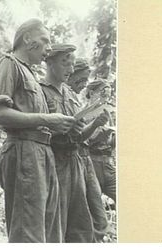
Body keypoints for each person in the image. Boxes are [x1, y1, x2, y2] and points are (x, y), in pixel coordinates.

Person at [0, 19, 76, 243]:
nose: (48, 48)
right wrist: (47, 119)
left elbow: (38, 121)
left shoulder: (32, 77)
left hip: (43, 153)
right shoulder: (9, 64)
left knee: (49, 232)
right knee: (28, 234)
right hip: (24, 152)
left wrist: (60, 125)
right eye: (45, 41)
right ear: (27, 39)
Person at [40, 44, 109, 242]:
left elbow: (78, 138)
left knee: (79, 222)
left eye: (72, 64)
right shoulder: (40, 91)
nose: (70, 69)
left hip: (75, 161)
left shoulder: (70, 95)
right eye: (65, 63)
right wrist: (59, 128)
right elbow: (37, 131)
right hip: (54, 162)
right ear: (50, 63)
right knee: (56, 220)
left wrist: (95, 124)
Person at [86, 80, 116, 203]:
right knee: (94, 205)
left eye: (108, 95)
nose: (106, 98)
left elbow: (112, 143)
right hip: (91, 162)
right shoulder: (84, 112)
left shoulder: (108, 111)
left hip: (108, 163)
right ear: (92, 93)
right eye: (103, 93)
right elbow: (79, 138)